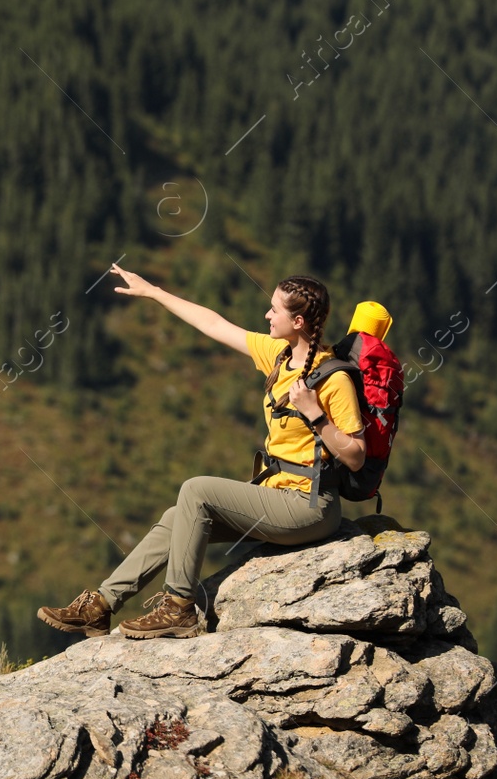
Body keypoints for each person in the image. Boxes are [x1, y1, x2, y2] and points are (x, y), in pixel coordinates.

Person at [37, 266, 366, 640]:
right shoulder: (280, 354)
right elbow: (214, 324)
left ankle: (178, 609)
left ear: (299, 320)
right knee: (178, 515)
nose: (267, 315)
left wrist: (315, 414)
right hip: (278, 493)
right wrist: (154, 292)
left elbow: (356, 455)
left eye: (274, 310)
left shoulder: (333, 379)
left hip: (310, 507)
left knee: (197, 490)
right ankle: (100, 607)